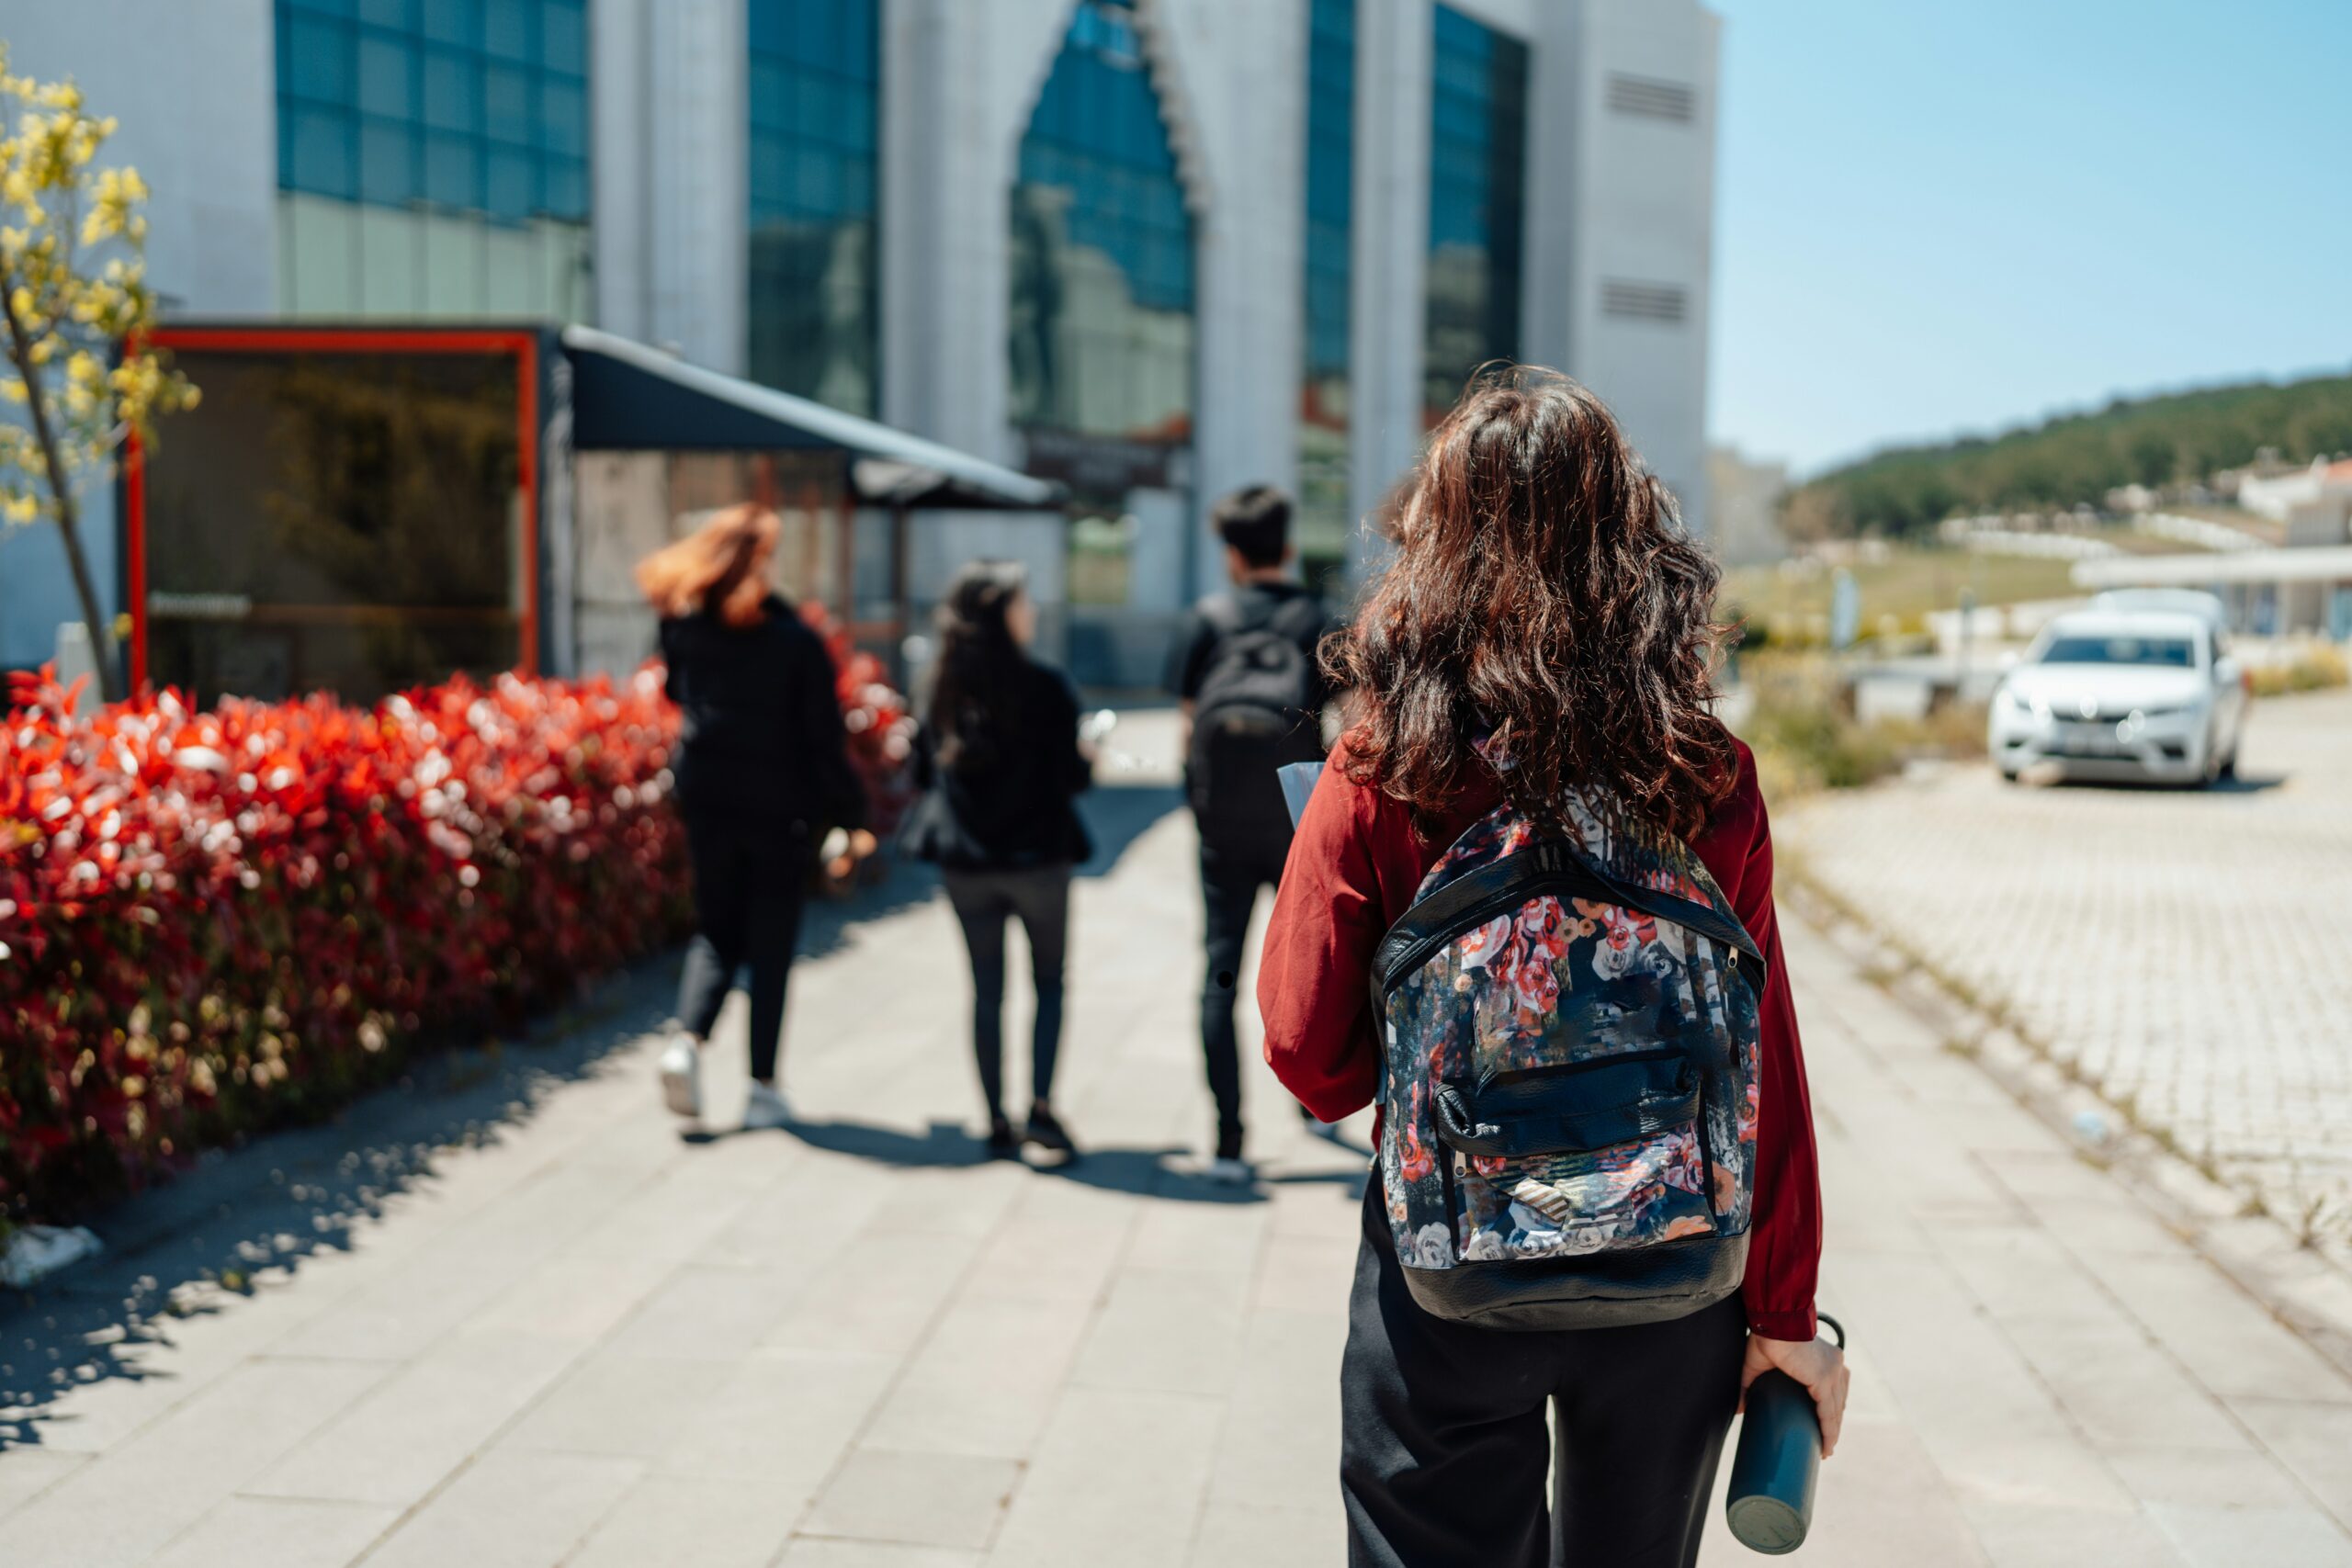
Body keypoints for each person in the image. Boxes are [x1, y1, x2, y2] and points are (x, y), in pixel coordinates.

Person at [1256, 368, 1844, 1567]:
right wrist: (1786, 1311)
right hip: (1677, 1269)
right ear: (1634, 544)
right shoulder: (1708, 774)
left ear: (1433, 543)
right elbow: (1765, 1056)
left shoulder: (1380, 770)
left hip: (1448, 1269)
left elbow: (1314, 1064)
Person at [638, 504, 871, 1131]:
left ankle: (686, 1043)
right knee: (770, 944)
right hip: (778, 809)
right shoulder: (795, 643)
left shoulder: (686, 628)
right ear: (762, 562)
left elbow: (677, 693)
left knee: (717, 931)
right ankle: (762, 1088)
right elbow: (824, 740)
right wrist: (853, 815)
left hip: (708, 798)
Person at [1165, 485, 1335, 1179]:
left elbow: (1186, 729)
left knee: (1221, 973)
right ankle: (1314, 1100)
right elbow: (1348, 729)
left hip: (1223, 832)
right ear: (1288, 547)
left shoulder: (1205, 621)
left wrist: (1200, 805)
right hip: (1296, 825)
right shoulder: (1319, 621)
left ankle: (1229, 1141)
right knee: (1311, 972)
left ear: (1231, 555)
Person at [901, 561, 1092, 1161]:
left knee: (986, 991)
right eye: (1022, 601)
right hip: (1039, 861)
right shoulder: (1046, 685)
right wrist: (1088, 754)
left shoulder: (938, 687)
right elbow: (1073, 778)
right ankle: (1041, 1108)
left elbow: (920, 773)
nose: (1031, 611)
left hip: (966, 864)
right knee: (1048, 982)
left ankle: (993, 1119)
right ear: (1000, 614)